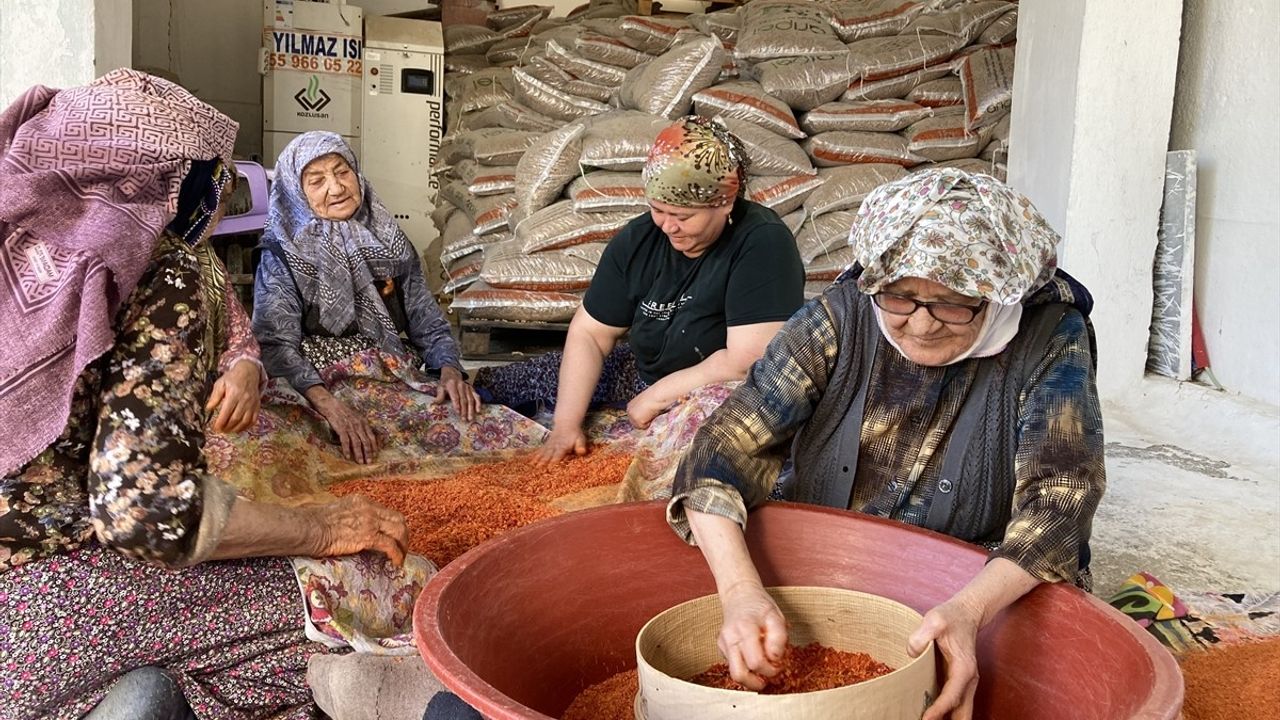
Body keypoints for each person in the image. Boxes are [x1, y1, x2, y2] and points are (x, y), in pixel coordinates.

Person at [0, 70, 409, 719]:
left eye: (343, 173)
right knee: (347, 598)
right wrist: (322, 525)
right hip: (35, 616)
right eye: (211, 179)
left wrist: (246, 369)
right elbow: (145, 510)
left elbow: (251, 338)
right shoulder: (170, 267)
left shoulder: (21, 245)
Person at [666, 169, 1105, 720]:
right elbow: (725, 448)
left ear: (997, 295)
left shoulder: (1048, 337)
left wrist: (970, 609)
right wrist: (739, 592)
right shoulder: (842, 315)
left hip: (974, 576)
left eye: (952, 304)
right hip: (833, 558)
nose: (920, 326)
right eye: (900, 297)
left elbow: (1062, 497)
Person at [475, 116, 806, 464]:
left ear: (725, 202)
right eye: (658, 210)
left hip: (718, 388)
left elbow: (745, 362)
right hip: (642, 370)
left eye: (682, 215)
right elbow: (590, 333)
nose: (668, 226)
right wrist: (566, 423)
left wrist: (658, 395)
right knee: (503, 387)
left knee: (704, 441)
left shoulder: (763, 242)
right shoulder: (639, 239)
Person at [253, 131, 479, 465]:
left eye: (342, 172)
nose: (336, 187)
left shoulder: (391, 241)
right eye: (316, 181)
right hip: (314, 391)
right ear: (296, 193)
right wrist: (331, 408)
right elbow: (274, 345)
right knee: (271, 445)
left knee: (471, 427)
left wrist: (449, 370)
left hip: (389, 380)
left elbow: (427, 322)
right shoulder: (282, 253)